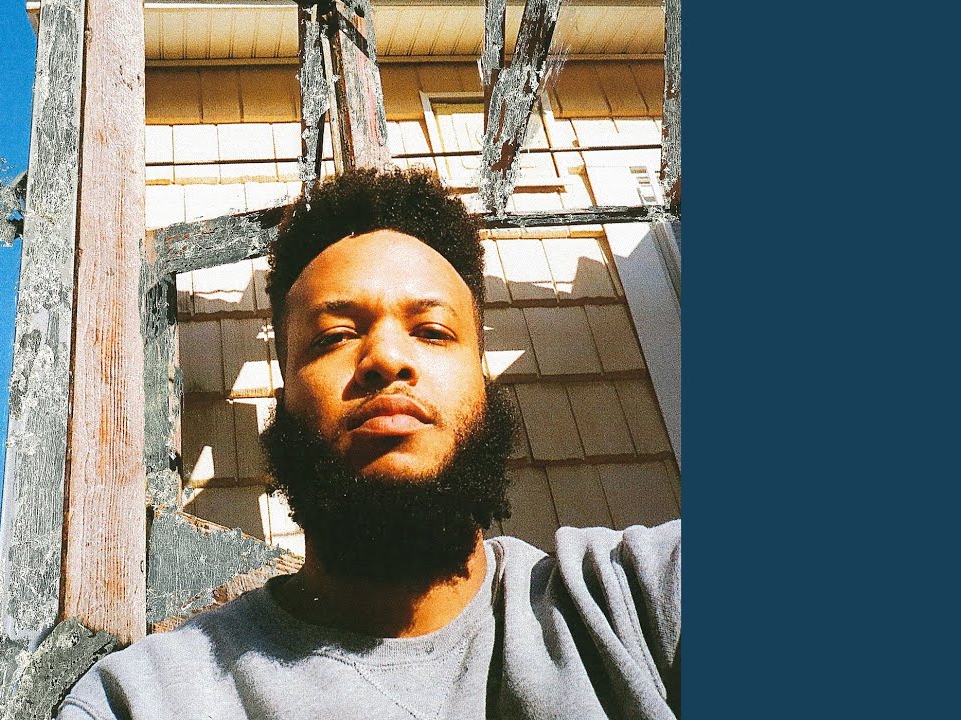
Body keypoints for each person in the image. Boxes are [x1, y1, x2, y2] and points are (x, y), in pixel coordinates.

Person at [58, 168, 681, 720]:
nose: (385, 358)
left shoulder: (636, 601)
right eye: (334, 336)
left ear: (483, 381)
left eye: (432, 330)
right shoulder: (147, 701)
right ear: (284, 399)